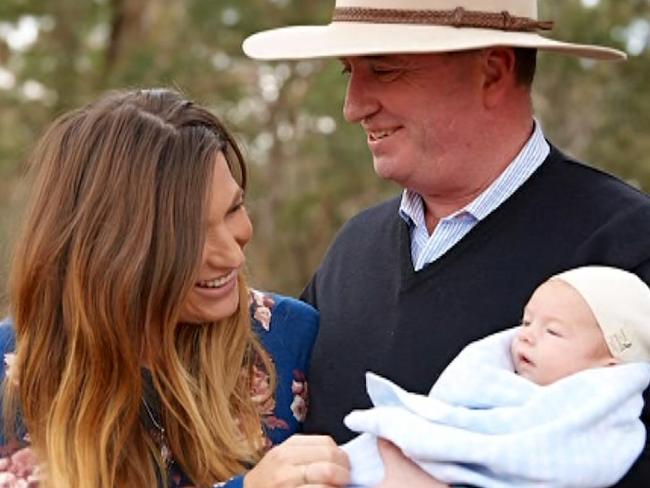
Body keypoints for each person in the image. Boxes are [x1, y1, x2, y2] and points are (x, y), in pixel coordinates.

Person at [242, 0, 650, 485]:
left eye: (385, 69)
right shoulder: (353, 249)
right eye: (350, 71)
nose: (353, 106)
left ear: (494, 72)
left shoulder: (628, 245)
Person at [0, 89, 350, 488]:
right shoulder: (12, 373)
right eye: (189, 236)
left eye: (234, 209)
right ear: (108, 251)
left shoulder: (290, 338)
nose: (232, 258)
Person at [342, 266, 650, 487]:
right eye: (526, 322)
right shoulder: (490, 386)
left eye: (553, 331)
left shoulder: (596, 428)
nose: (526, 336)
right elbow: (454, 420)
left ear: (608, 368)